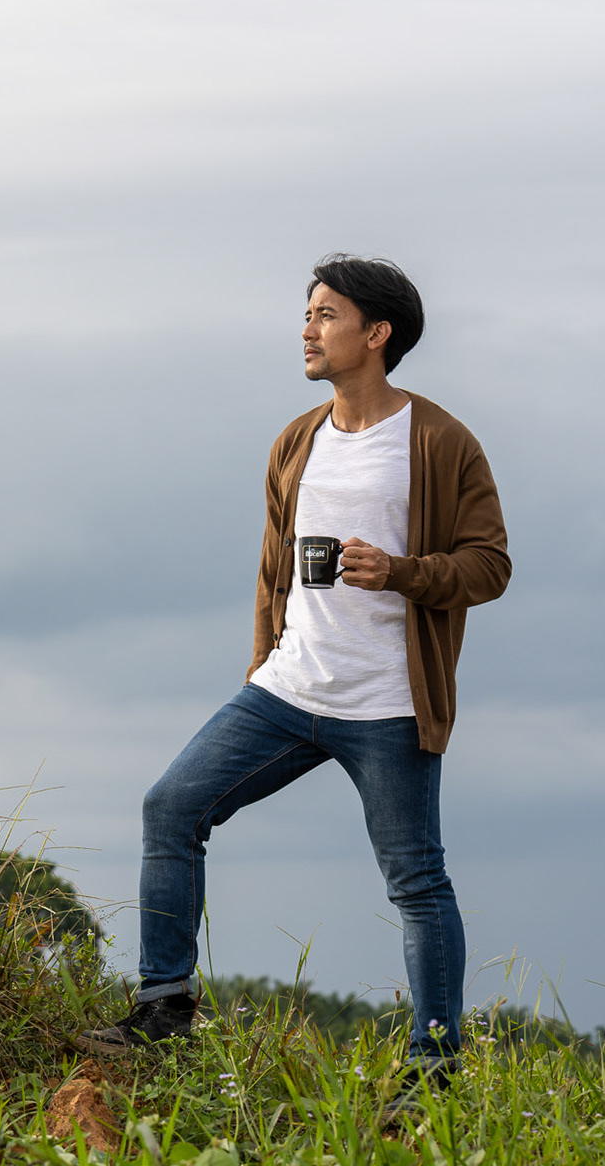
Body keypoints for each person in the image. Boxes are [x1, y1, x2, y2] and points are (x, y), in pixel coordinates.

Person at [76, 255, 510, 1109]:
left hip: (389, 706)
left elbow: (489, 566)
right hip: (285, 692)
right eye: (308, 314)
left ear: (376, 333)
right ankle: (164, 1007)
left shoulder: (439, 441)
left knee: (416, 881)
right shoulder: (296, 440)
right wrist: (259, 668)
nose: (307, 330)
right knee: (171, 807)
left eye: (325, 315)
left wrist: (401, 572)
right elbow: (272, 571)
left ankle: (434, 1068)